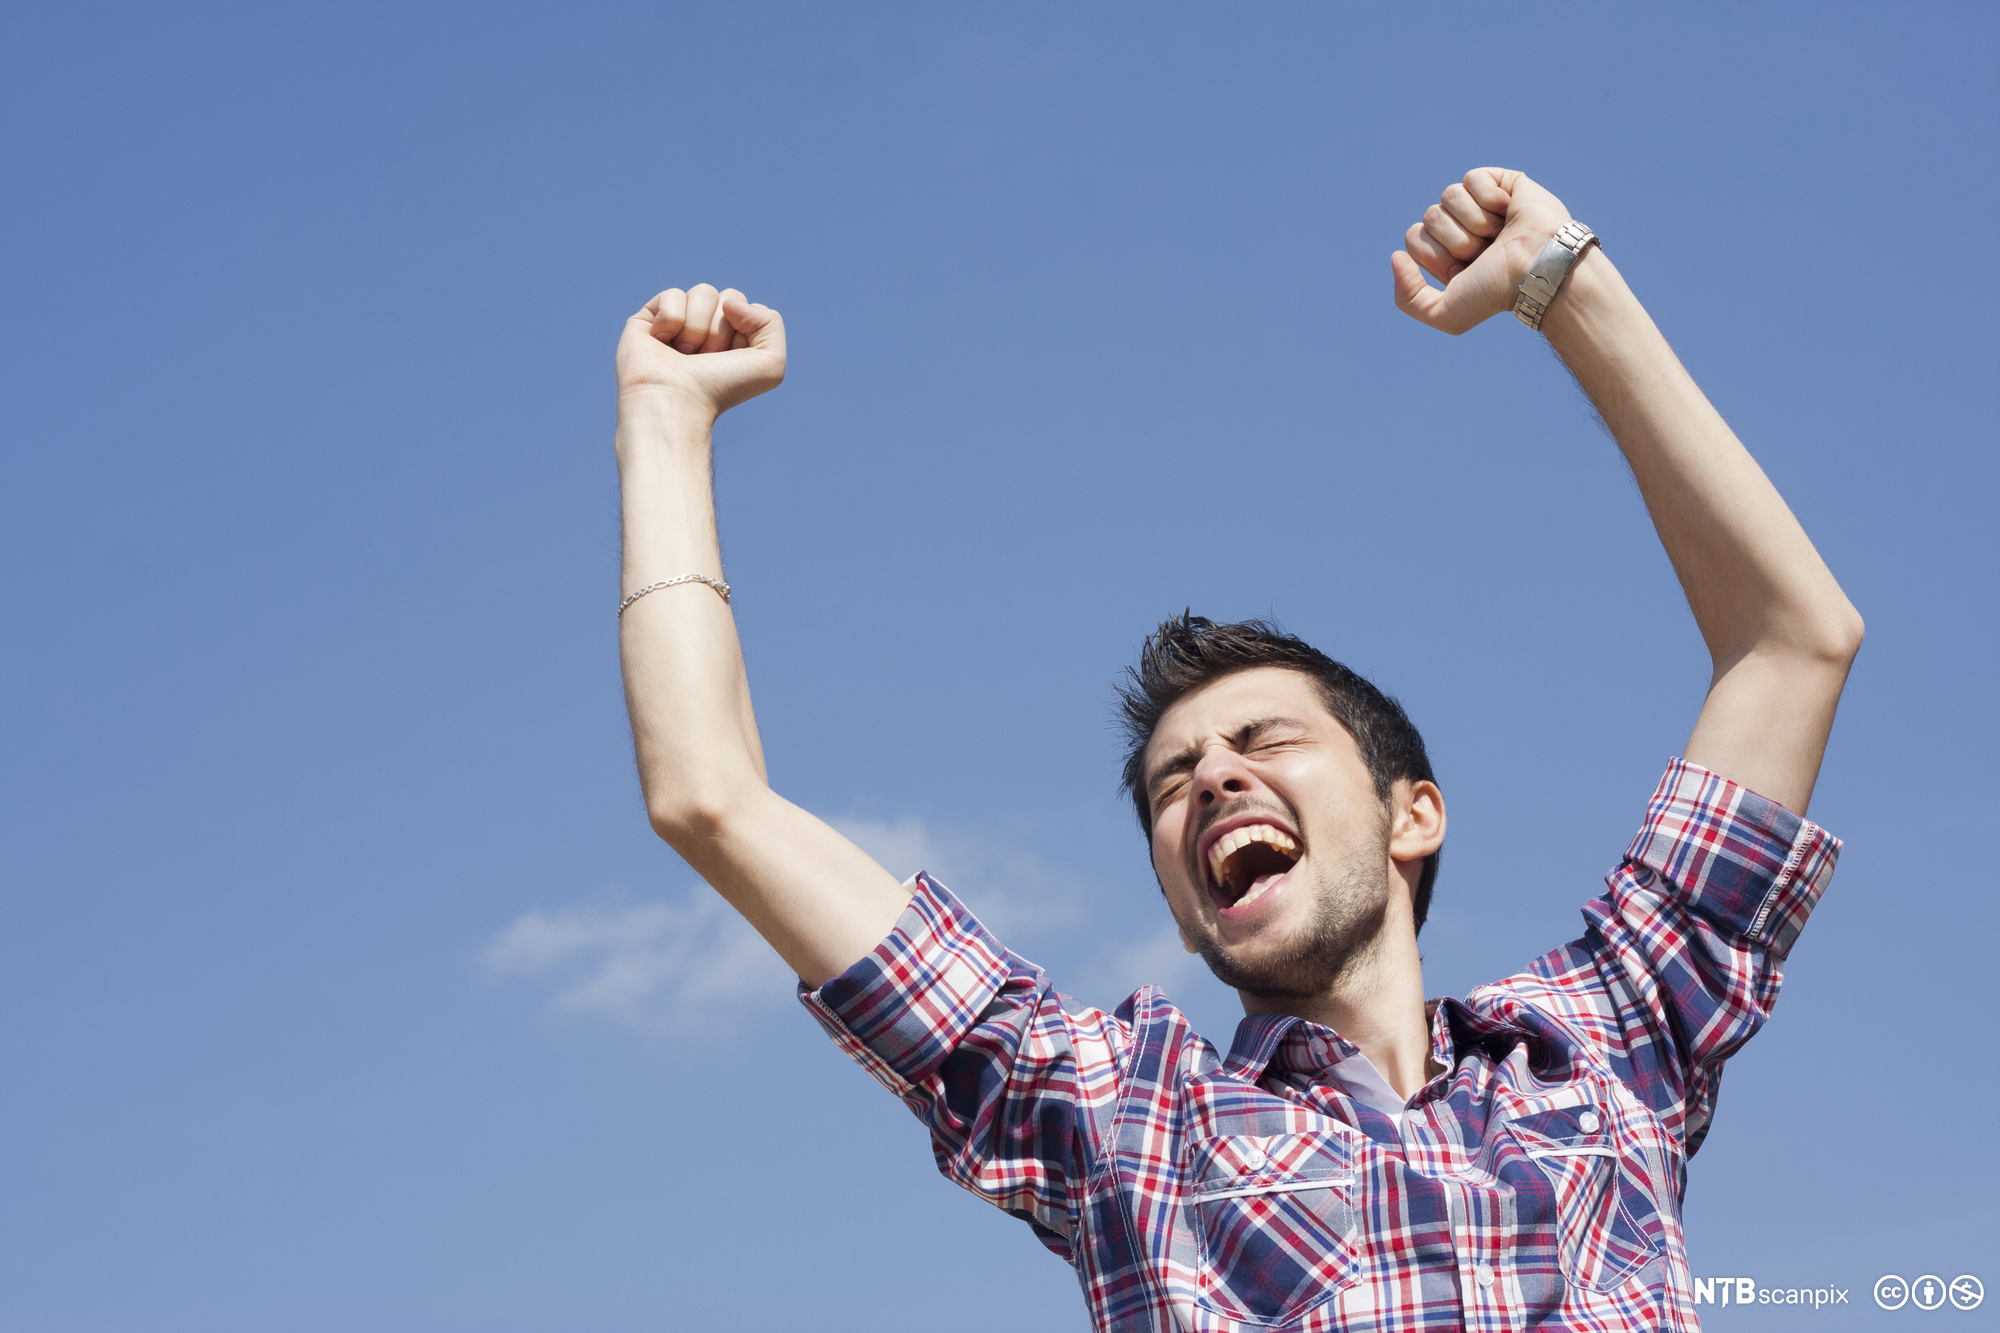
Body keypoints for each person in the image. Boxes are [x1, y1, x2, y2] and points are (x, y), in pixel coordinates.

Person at [608, 168, 1862, 1332]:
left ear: (1410, 813)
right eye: (1170, 782)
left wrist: (1564, 283)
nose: (1210, 777)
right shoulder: (1121, 1115)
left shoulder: (1604, 1041)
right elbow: (711, 798)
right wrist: (663, 419)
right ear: (1175, 894)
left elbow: (1791, 642)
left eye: (1262, 738)